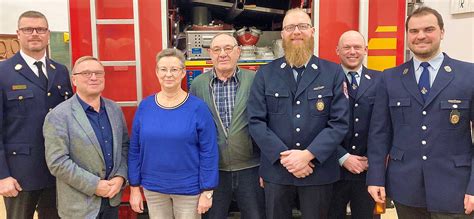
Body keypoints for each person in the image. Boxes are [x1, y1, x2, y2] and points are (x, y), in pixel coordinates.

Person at [367, 6, 474, 218]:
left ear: (442, 32)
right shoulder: (390, 78)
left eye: (429, 29)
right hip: (406, 188)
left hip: (456, 187)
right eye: (414, 31)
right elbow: (379, 135)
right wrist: (376, 177)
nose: (421, 36)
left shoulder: (468, 75)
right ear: (407, 35)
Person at [247, 8, 349, 219]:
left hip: (318, 171)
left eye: (302, 27)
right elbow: (256, 122)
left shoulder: (333, 73)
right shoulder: (265, 74)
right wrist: (286, 158)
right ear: (282, 34)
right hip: (278, 171)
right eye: (290, 28)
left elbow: (339, 123)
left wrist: (307, 155)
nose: (296, 32)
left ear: (312, 31)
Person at [128, 48, 219, 219]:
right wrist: (134, 187)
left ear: (183, 72)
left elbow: (209, 151)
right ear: (157, 72)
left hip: (189, 190)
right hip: (153, 189)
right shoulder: (145, 107)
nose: (168, 74)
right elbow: (135, 149)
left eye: (174, 69)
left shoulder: (198, 108)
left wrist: (207, 191)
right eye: (163, 69)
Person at [0, 10, 73, 219]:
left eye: (40, 29)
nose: (34, 34)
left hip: (57, 171)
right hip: (20, 174)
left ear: (48, 34)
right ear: (18, 34)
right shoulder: (3, 73)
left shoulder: (60, 71)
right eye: (28, 29)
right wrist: (2, 175)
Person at [43, 56, 129, 218]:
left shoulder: (114, 109)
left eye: (98, 73)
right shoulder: (59, 116)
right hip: (79, 207)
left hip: (112, 201)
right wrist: (95, 185)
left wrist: (120, 177)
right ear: (74, 80)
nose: (94, 77)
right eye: (86, 73)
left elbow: (124, 146)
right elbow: (57, 162)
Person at [190, 33, 265, 219]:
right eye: (217, 49)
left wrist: (267, 166)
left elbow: (267, 122)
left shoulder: (255, 80)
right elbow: (193, 129)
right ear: (210, 54)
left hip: (251, 168)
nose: (222, 54)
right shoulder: (198, 85)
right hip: (214, 171)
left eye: (228, 48)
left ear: (238, 52)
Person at [328, 30, 381, 219]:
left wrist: (372, 161)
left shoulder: (380, 80)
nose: (352, 51)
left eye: (357, 47)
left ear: (366, 50)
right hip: (333, 168)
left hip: (367, 171)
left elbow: (383, 127)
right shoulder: (326, 80)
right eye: (346, 47)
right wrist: (342, 157)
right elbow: (317, 124)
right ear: (337, 51)